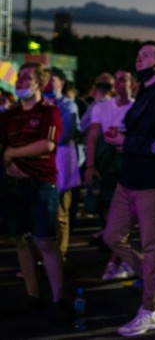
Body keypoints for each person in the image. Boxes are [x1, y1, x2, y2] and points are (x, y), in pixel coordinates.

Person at [103, 41, 155, 337]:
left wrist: (125, 142)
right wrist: (121, 134)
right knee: (111, 236)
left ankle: (151, 311)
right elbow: (144, 133)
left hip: (151, 182)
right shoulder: (145, 93)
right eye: (138, 53)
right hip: (129, 178)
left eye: (146, 55)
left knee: (152, 245)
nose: (139, 57)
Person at [0, 62, 71, 323]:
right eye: (18, 78)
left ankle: (58, 297)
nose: (20, 82)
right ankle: (32, 295)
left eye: (26, 78)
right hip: (13, 187)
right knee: (20, 241)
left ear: (39, 84)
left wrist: (11, 154)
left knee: (46, 242)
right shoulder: (9, 115)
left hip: (40, 185)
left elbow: (47, 145)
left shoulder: (49, 112)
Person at [85, 70, 136, 280]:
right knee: (105, 209)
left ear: (132, 84)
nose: (119, 83)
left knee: (122, 212)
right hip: (106, 163)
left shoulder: (136, 107)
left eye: (124, 79)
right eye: (117, 79)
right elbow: (93, 135)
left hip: (126, 164)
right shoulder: (101, 107)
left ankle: (119, 260)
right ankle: (121, 257)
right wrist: (90, 165)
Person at [44, 67, 81, 259]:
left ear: (62, 82)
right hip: (43, 164)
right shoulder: (39, 102)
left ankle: (60, 255)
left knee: (60, 214)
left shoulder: (68, 106)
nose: (49, 82)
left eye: (53, 78)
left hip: (61, 163)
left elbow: (64, 135)